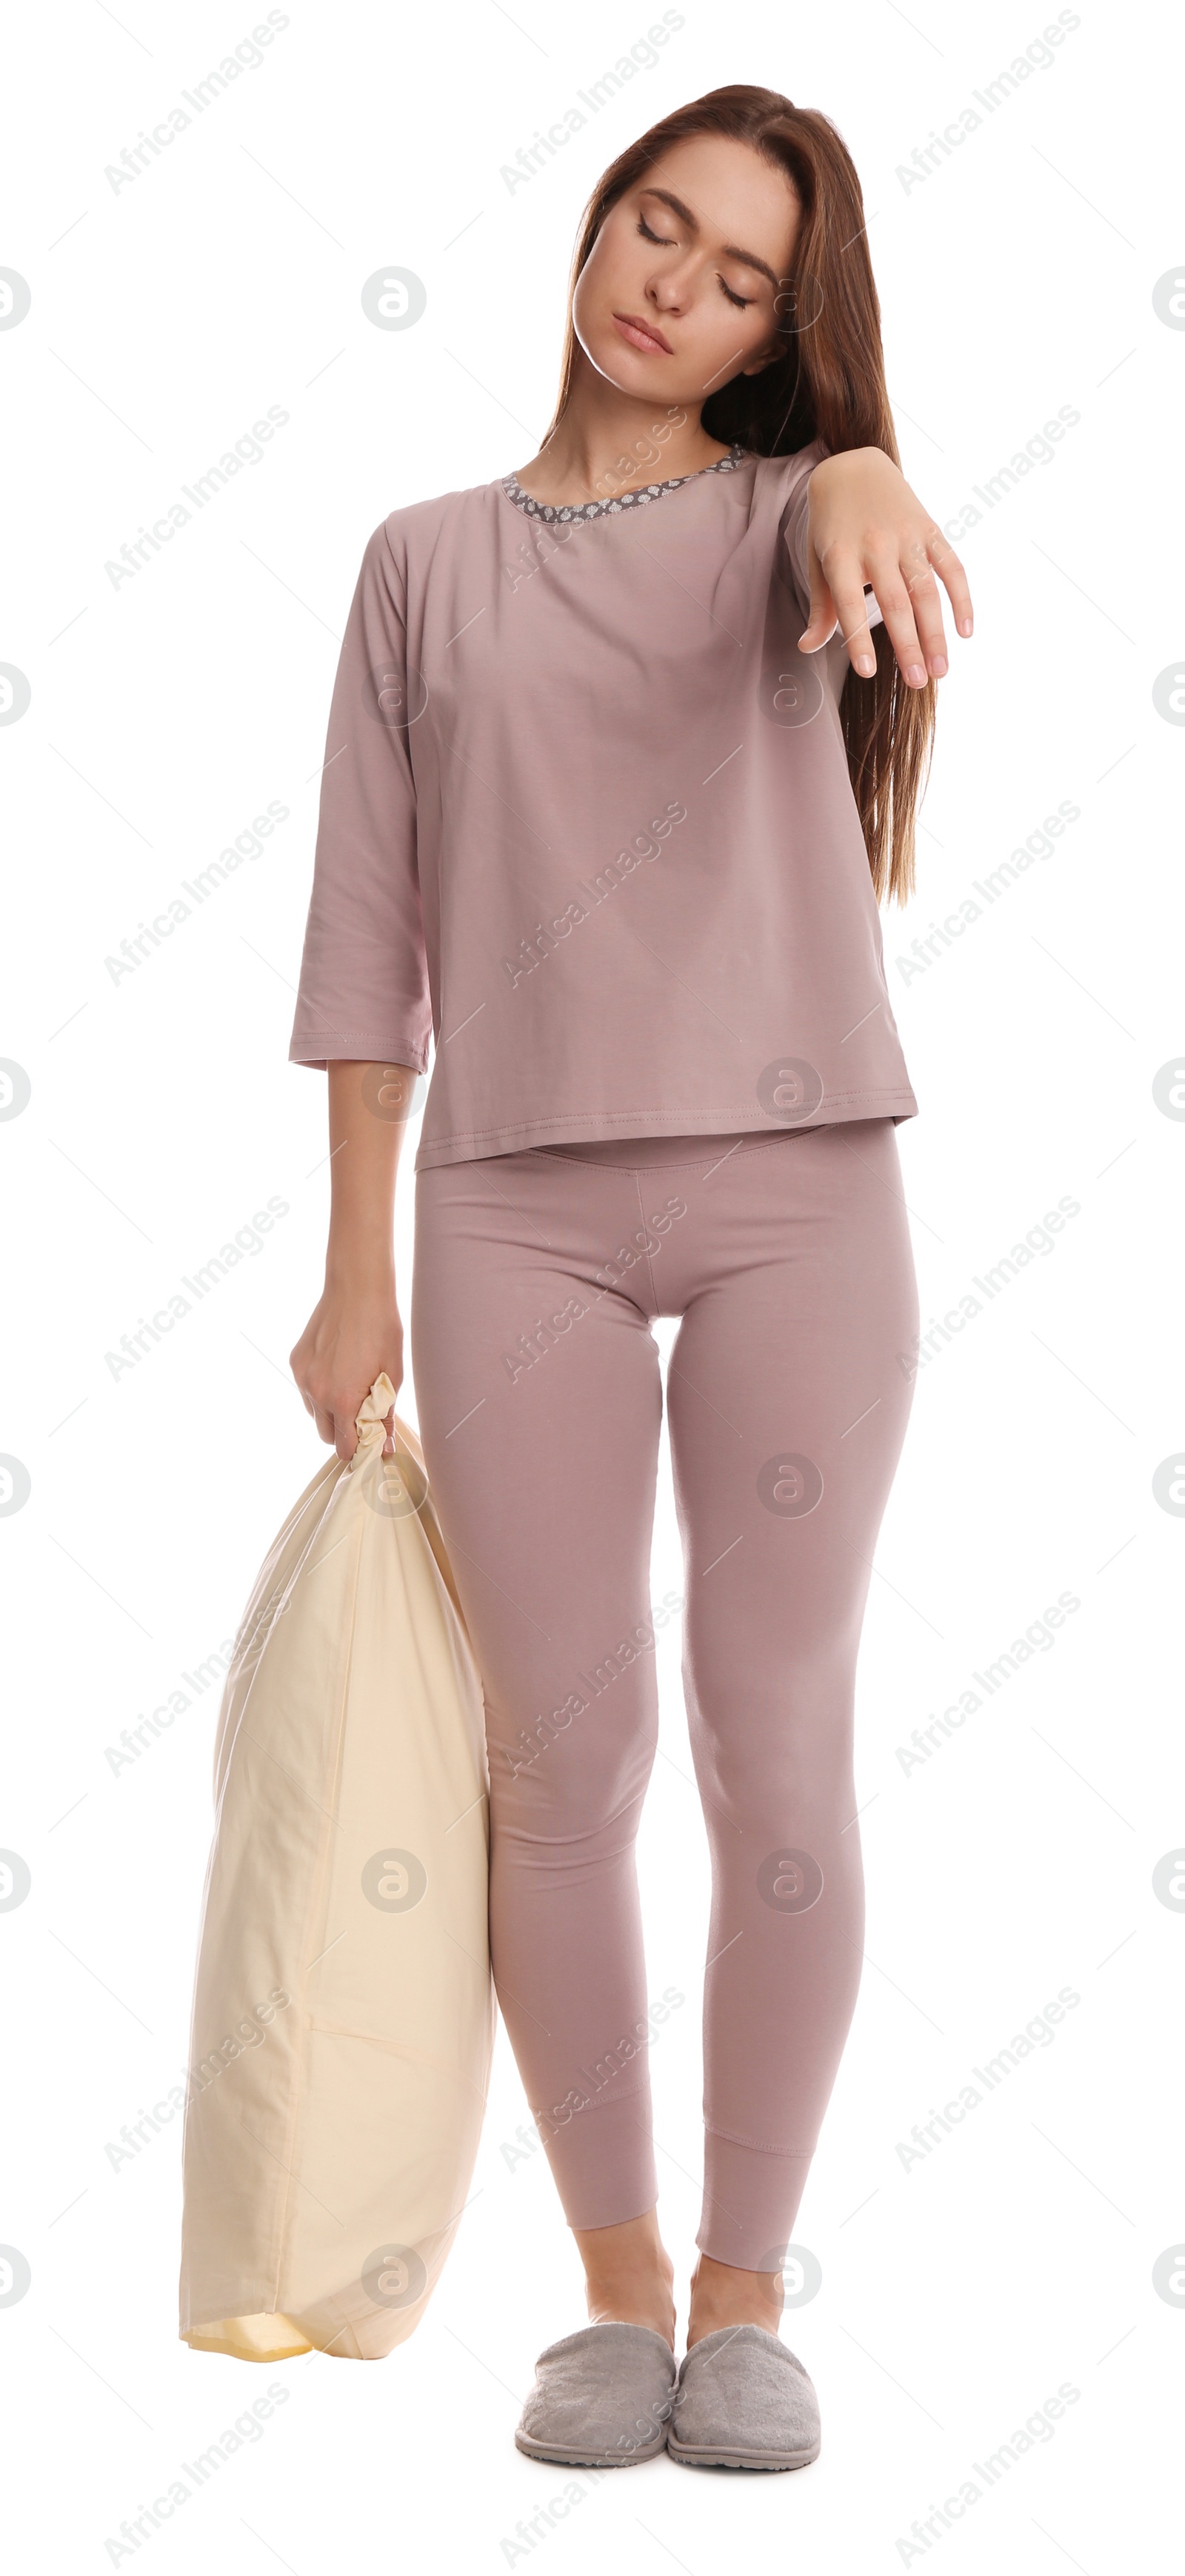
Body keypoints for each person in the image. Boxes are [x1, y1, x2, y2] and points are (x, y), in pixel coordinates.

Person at [289, 83, 971, 2472]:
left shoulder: (804, 519)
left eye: (739, 274)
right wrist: (348, 1270)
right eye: (651, 226)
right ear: (594, 228)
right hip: (507, 1212)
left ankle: (751, 2294)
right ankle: (605, 2298)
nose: (668, 285)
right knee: (556, 1766)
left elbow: (862, 512)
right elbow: (367, 951)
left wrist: (867, 465)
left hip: (801, 1201)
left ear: (788, 332)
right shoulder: (421, 563)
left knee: (774, 1731)